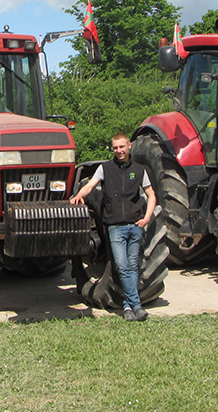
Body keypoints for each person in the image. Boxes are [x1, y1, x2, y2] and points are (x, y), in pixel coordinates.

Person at [71, 133, 157, 321]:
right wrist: (80, 195)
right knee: (122, 266)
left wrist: (148, 217)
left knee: (133, 267)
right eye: (116, 147)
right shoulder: (105, 169)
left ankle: (127, 308)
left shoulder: (139, 170)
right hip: (115, 227)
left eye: (122, 147)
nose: (119, 151)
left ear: (129, 146)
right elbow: (91, 185)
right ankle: (137, 305)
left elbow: (151, 195)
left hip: (135, 226)